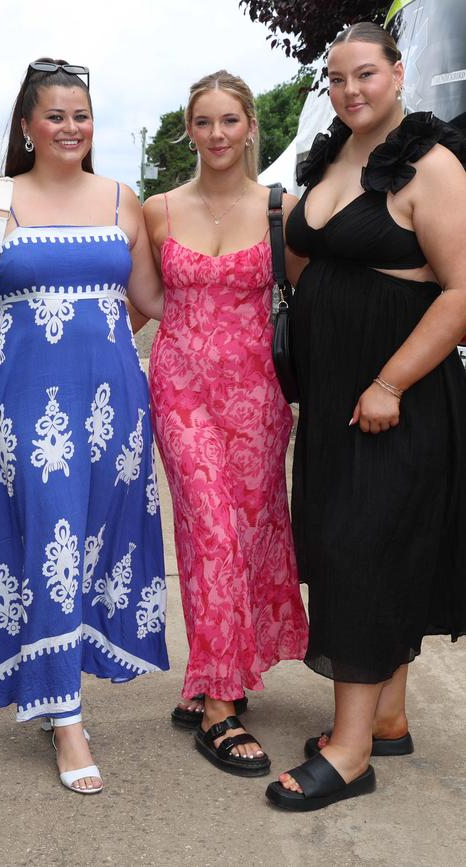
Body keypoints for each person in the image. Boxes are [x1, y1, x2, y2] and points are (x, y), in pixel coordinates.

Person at [265, 22, 466, 811]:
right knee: (361, 542)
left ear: (398, 72)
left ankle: (349, 754)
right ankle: (384, 714)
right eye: (339, 79)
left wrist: (386, 380)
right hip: (336, 396)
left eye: (366, 75)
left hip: (396, 396)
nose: (352, 91)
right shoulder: (335, 157)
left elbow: (460, 293)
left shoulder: (433, 164)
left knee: (360, 552)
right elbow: (307, 252)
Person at [0, 59, 168, 794]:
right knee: (48, 539)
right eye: (54, 114)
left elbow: (148, 296)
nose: (69, 127)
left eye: (80, 114)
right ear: (26, 124)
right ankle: (64, 718)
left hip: (113, 406)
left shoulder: (124, 199)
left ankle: (59, 682)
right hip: (27, 408)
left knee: (87, 542)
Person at [144, 70, 309, 777]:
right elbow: (138, 303)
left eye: (229, 121)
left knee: (245, 534)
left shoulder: (283, 207)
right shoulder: (157, 210)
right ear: (189, 128)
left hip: (259, 397)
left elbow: (313, 302)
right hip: (180, 391)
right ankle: (218, 709)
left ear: (250, 127)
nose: (216, 134)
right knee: (208, 529)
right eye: (204, 122)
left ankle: (217, 672)